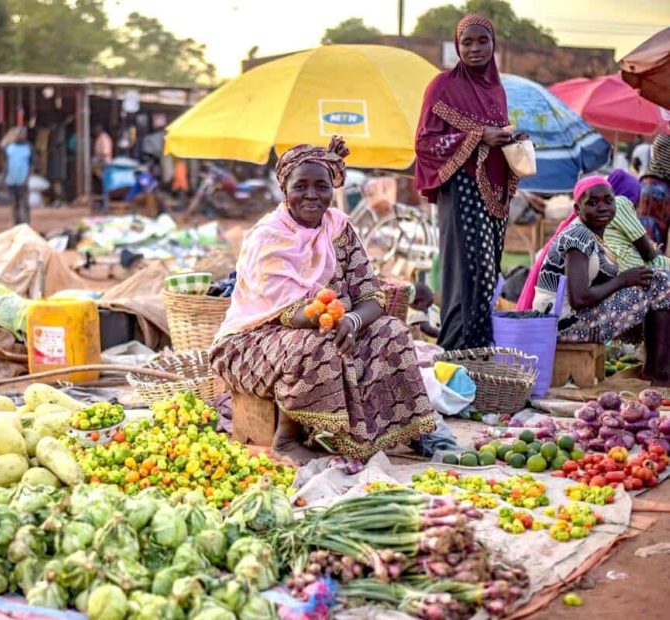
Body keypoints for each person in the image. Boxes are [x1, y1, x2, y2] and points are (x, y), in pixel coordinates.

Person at [210, 137, 440, 464]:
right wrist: (333, 323)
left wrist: (353, 321)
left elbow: (371, 295)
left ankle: (403, 430)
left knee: (393, 332)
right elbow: (290, 314)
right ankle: (286, 440)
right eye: (300, 186)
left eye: (321, 186)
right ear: (284, 190)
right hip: (251, 342)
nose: (312, 195)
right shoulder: (269, 237)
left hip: (328, 325)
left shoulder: (339, 229)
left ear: (333, 189)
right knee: (318, 346)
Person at [414, 14, 521, 351]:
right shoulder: (443, 85)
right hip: (461, 191)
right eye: (467, 42)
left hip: (494, 195)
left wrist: (509, 140)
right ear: (457, 47)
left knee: (488, 277)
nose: (475, 48)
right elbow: (425, 143)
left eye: (482, 41)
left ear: (494, 45)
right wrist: (478, 136)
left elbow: (494, 138)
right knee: (468, 274)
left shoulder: (497, 91)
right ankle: (456, 352)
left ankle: (476, 352)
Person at [532, 176, 670, 386]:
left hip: (573, 318)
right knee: (659, 281)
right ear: (578, 209)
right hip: (563, 325)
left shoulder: (592, 235)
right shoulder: (578, 236)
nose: (602, 207)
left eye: (608, 200)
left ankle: (654, 369)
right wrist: (624, 280)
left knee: (656, 280)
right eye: (593, 203)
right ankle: (660, 373)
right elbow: (579, 298)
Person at [603, 169, 670, 270]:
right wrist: (656, 251)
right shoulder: (621, 205)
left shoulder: (598, 215)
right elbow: (648, 254)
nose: (638, 208)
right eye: (636, 201)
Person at [639, 134, 670, 250]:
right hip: (662, 188)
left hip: (647, 183)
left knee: (644, 225)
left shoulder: (661, 134)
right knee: (656, 228)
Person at [4, 126, 32, 225]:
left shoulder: (28, 147)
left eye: (22, 133)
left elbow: (31, 165)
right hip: (11, 180)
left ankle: (27, 223)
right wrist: (5, 177)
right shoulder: (9, 147)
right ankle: (17, 223)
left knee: (25, 203)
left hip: (23, 180)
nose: (20, 135)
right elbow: (7, 163)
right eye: (19, 133)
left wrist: (27, 178)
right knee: (14, 204)